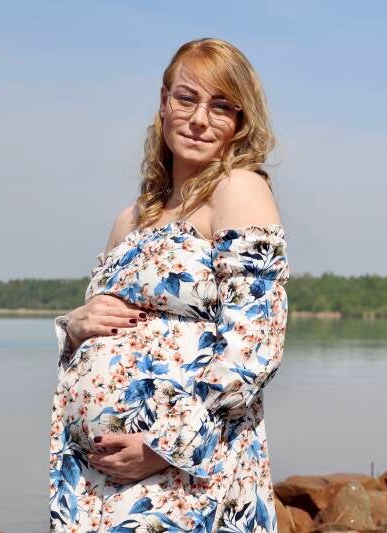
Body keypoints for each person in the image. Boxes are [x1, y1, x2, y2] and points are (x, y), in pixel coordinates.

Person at [49, 37, 289, 532]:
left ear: (240, 122)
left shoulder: (238, 189)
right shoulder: (131, 218)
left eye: (221, 106)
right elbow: (99, 333)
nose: (200, 119)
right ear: (163, 103)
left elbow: (255, 345)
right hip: (92, 479)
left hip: (184, 474)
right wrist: (73, 325)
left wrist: (165, 446)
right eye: (187, 98)